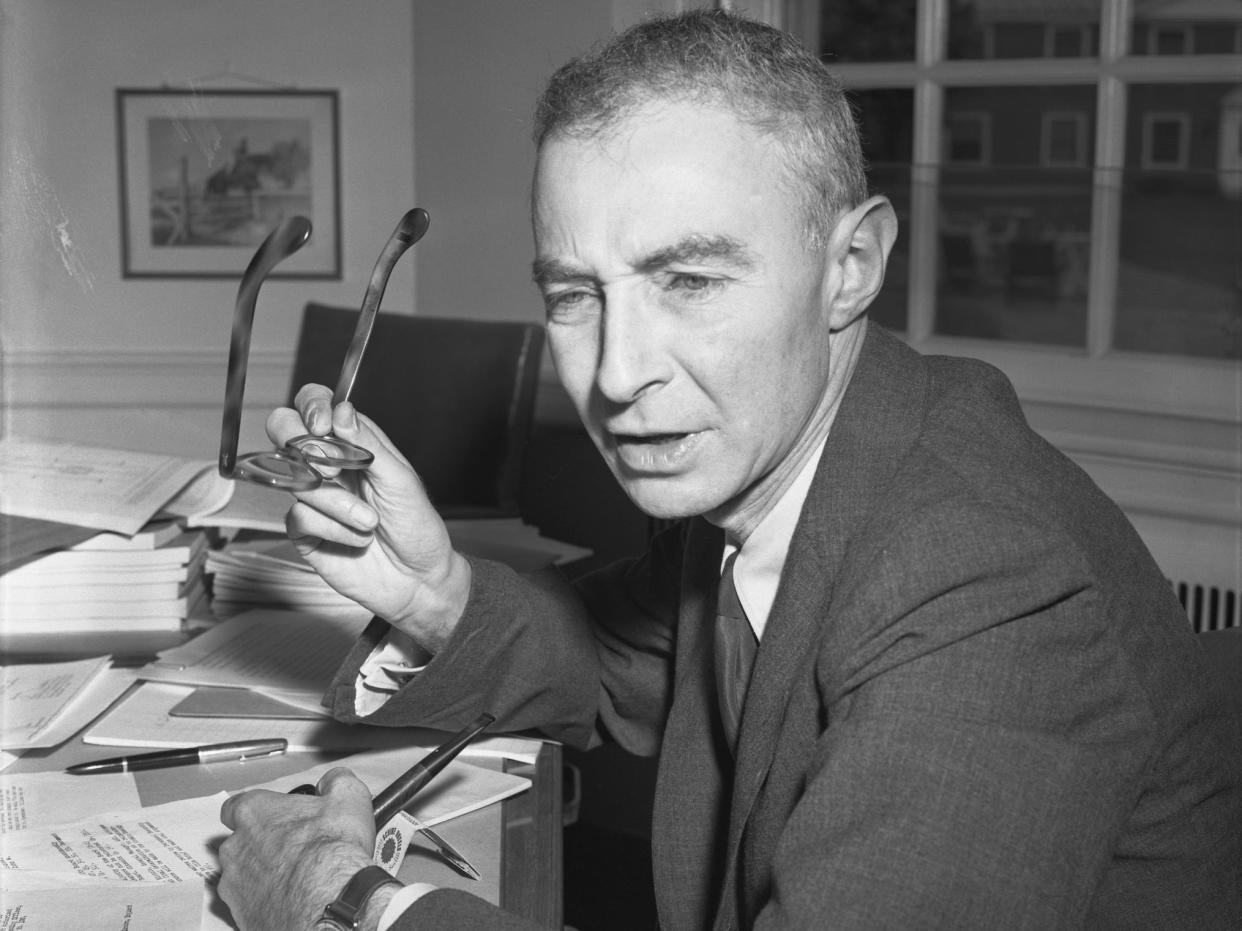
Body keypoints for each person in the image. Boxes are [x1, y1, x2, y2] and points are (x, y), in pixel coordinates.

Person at [216, 10, 1242, 931]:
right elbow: (625, 669)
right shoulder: (783, 467)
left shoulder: (988, 582)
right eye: (575, 294)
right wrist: (436, 595)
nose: (617, 374)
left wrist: (344, 905)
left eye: (691, 279)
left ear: (851, 268)